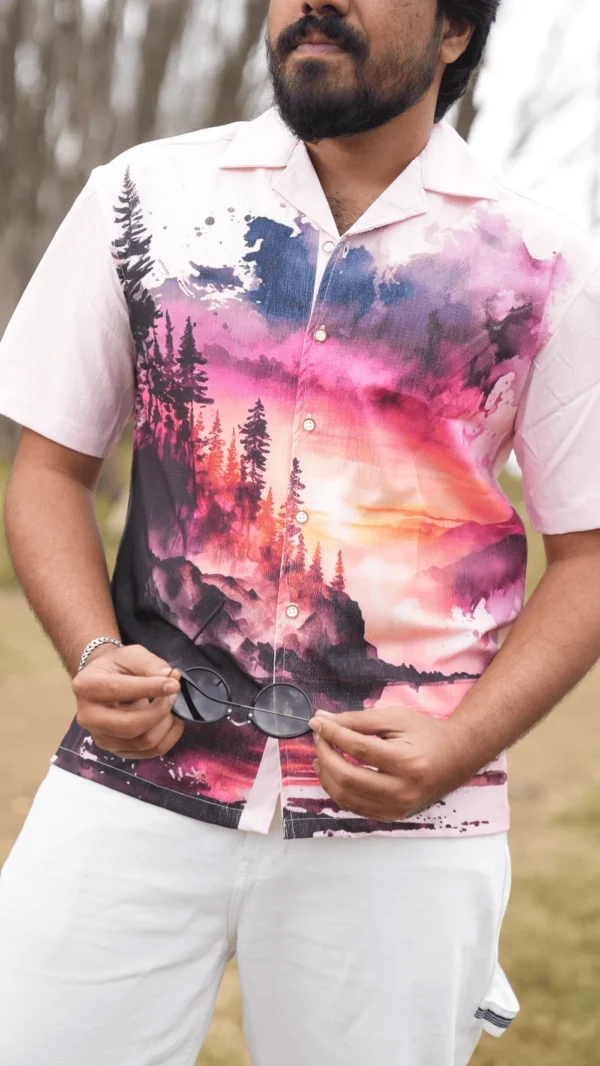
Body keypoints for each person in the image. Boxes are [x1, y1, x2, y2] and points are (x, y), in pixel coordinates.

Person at [1, 0, 600, 1063]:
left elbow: (591, 554)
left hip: (407, 824)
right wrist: (92, 652)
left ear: (455, 32)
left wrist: (457, 747)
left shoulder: (547, 262)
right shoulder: (141, 194)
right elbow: (50, 467)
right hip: (135, 782)